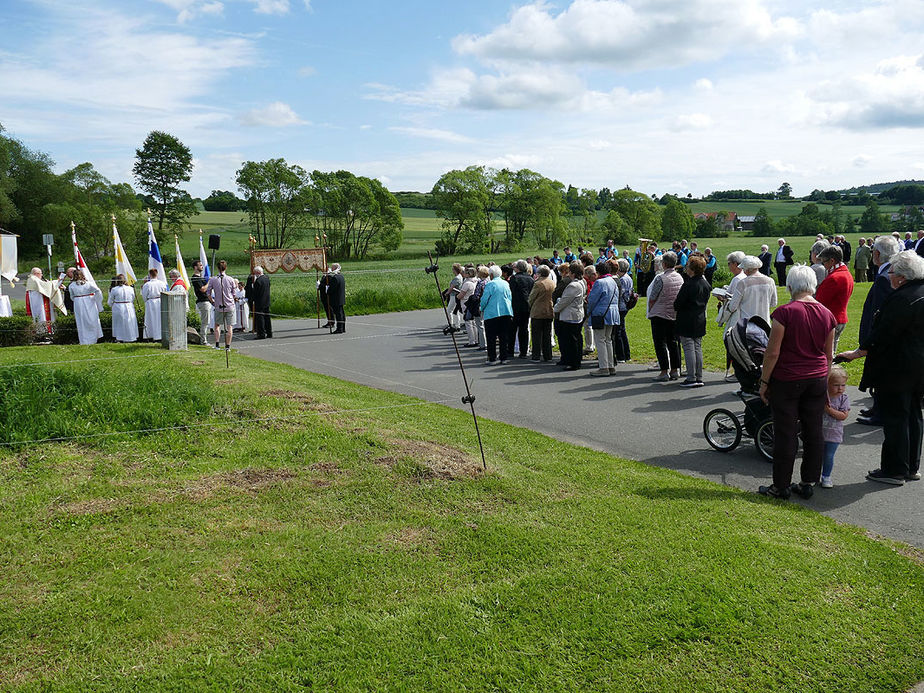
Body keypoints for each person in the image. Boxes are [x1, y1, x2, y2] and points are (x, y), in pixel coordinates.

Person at [837, 250, 924, 485]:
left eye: (892, 272)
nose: (889, 276)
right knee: (913, 415)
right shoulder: (920, 292)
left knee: (896, 417)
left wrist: (857, 353)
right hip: (917, 365)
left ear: (902, 277)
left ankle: (894, 469)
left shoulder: (902, 298)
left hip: (897, 367)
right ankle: (910, 466)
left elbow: (884, 333)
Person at [757, 265, 836, 499]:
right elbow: (828, 354)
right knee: (813, 431)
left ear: (790, 286)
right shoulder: (827, 314)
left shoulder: (785, 313)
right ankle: (807, 481)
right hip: (817, 377)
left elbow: (772, 353)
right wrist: (824, 379)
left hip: (788, 379)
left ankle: (780, 486)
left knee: (786, 432)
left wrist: (764, 382)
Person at [856, 235, 901, 425]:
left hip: (880, 338)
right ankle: (877, 407)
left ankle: (880, 412)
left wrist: (870, 339)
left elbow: (879, 312)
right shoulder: (893, 273)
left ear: (876, 254)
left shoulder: (884, 278)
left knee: (881, 373)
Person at [673, 255, 711, 387]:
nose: (686, 267)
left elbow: (677, 304)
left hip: (687, 318)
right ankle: (698, 376)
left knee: (688, 347)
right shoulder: (706, 284)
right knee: (697, 347)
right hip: (700, 317)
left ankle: (691, 377)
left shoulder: (688, 284)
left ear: (692, 269)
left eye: (688, 266)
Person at [647, 251, 683, 381]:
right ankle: (675, 370)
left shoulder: (660, 278)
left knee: (660, 343)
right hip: (674, 313)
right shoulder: (680, 277)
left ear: (664, 263)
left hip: (660, 313)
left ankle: (664, 371)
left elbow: (653, 297)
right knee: (673, 342)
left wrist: (650, 309)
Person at [815, 245, 854, 352]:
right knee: (831, 352)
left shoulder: (834, 278)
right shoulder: (846, 273)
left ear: (832, 261)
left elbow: (819, 300)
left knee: (825, 355)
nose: (824, 265)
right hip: (840, 318)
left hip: (831, 320)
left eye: (824, 262)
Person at [820, 365, 850, 489]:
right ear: (827, 384)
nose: (840, 388)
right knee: (816, 455)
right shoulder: (823, 396)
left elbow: (843, 415)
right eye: (836, 385)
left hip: (834, 434)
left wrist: (828, 410)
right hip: (819, 432)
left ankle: (826, 476)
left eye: (843, 385)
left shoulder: (844, 399)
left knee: (828, 456)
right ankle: (813, 475)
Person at [586, 262, 619, 376]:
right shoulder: (613, 281)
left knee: (600, 340)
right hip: (613, 312)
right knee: (608, 339)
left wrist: (588, 311)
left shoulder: (599, 282)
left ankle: (603, 367)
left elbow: (592, 299)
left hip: (601, 313)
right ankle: (610, 365)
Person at [553, 261, 585, 371]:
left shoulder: (573, 285)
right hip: (576, 313)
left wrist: (555, 309)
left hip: (571, 315)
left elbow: (564, 301)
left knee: (571, 340)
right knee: (575, 339)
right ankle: (574, 360)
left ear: (573, 273)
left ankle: (573, 362)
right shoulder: (581, 282)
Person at [480, 264, 513, 364]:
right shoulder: (505, 283)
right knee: (504, 337)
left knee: (491, 337)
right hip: (506, 312)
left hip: (492, 313)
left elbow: (485, 299)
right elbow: (509, 297)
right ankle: (504, 357)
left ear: (491, 275)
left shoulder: (490, 284)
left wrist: (481, 307)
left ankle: (492, 358)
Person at [205, 260, 236, 350]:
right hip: (229, 305)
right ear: (226, 268)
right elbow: (234, 294)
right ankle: (227, 346)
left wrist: (213, 302)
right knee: (229, 326)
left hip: (218, 305)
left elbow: (208, 293)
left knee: (217, 325)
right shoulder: (230, 279)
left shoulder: (213, 279)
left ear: (218, 268)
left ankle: (217, 344)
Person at [527, 265, 555, 362]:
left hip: (538, 311)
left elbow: (532, 297)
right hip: (549, 310)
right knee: (547, 334)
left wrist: (529, 305)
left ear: (539, 273)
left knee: (536, 335)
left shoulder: (538, 284)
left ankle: (536, 356)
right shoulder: (552, 283)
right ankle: (548, 355)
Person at [68, 270, 104, 345]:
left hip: (79, 302)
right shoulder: (88, 284)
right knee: (90, 320)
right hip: (88, 301)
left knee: (82, 321)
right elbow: (98, 291)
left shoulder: (72, 285)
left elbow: (72, 296)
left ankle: (85, 340)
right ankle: (91, 339)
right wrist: (95, 299)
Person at [508, 260, 534, 359]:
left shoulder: (514, 278)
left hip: (515, 307)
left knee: (512, 330)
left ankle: (510, 350)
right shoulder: (530, 279)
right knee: (524, 329)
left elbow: (511, 292)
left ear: (518, 268)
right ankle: (523, 351)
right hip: (526, 307)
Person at [611, 258, 633, 363]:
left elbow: (620, 293)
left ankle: (621, 355)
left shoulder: (623, 279)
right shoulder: (627, 277)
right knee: (622, 330)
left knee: (618, 332)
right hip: (624, 306)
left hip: (621, 306)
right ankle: (626, 354)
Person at [107, 274, 138, 343]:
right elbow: (133, 298)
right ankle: (131, 337)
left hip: (118, 306)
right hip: (129, 306)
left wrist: (111, 305)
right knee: (129, 322)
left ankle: (119, 338)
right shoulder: (130, 288)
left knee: (119, 323)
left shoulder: (114, 289)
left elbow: (110, 300)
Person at [141, 268, 167, 340]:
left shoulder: (147, 285)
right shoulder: (162, 283)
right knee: (159, 319)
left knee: (151, 319)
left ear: (149, 275)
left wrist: (147, 301)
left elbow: (144, 296)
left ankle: (152, 335)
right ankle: (159, 335)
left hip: (151, 302)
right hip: (160, 301)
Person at [191, 260, 211, 345]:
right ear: (195, 267)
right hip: (203, 301)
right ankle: (203, 340)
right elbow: (202, 289)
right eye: (200, 265)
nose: (202, 266)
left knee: (206, 321)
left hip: (206, 300)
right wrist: (209, 282)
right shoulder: (195, 278)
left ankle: (204, 338)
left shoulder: (201, 277)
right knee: (205, 322)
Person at [251, 265, 273, 339]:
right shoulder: (267, 278)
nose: (255, 275)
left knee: (260, 318)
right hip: (267, 301)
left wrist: (252, 298)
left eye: (255, 273)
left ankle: (261, 334)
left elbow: (255, 293)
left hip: (260, 302)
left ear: (258, 272)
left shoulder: (258, 281)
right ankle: (269, 332)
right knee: (267, 317)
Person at [325, 263, 345, 334]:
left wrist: (327, 289)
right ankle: (343, 328)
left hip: (336, 299)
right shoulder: (341, 276)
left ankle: (339, 328)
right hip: (341, 298)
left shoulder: (335, 278)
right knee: (341, 313)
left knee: (338, 314)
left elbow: (331, 290)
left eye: (332, 268)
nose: (331, 269)